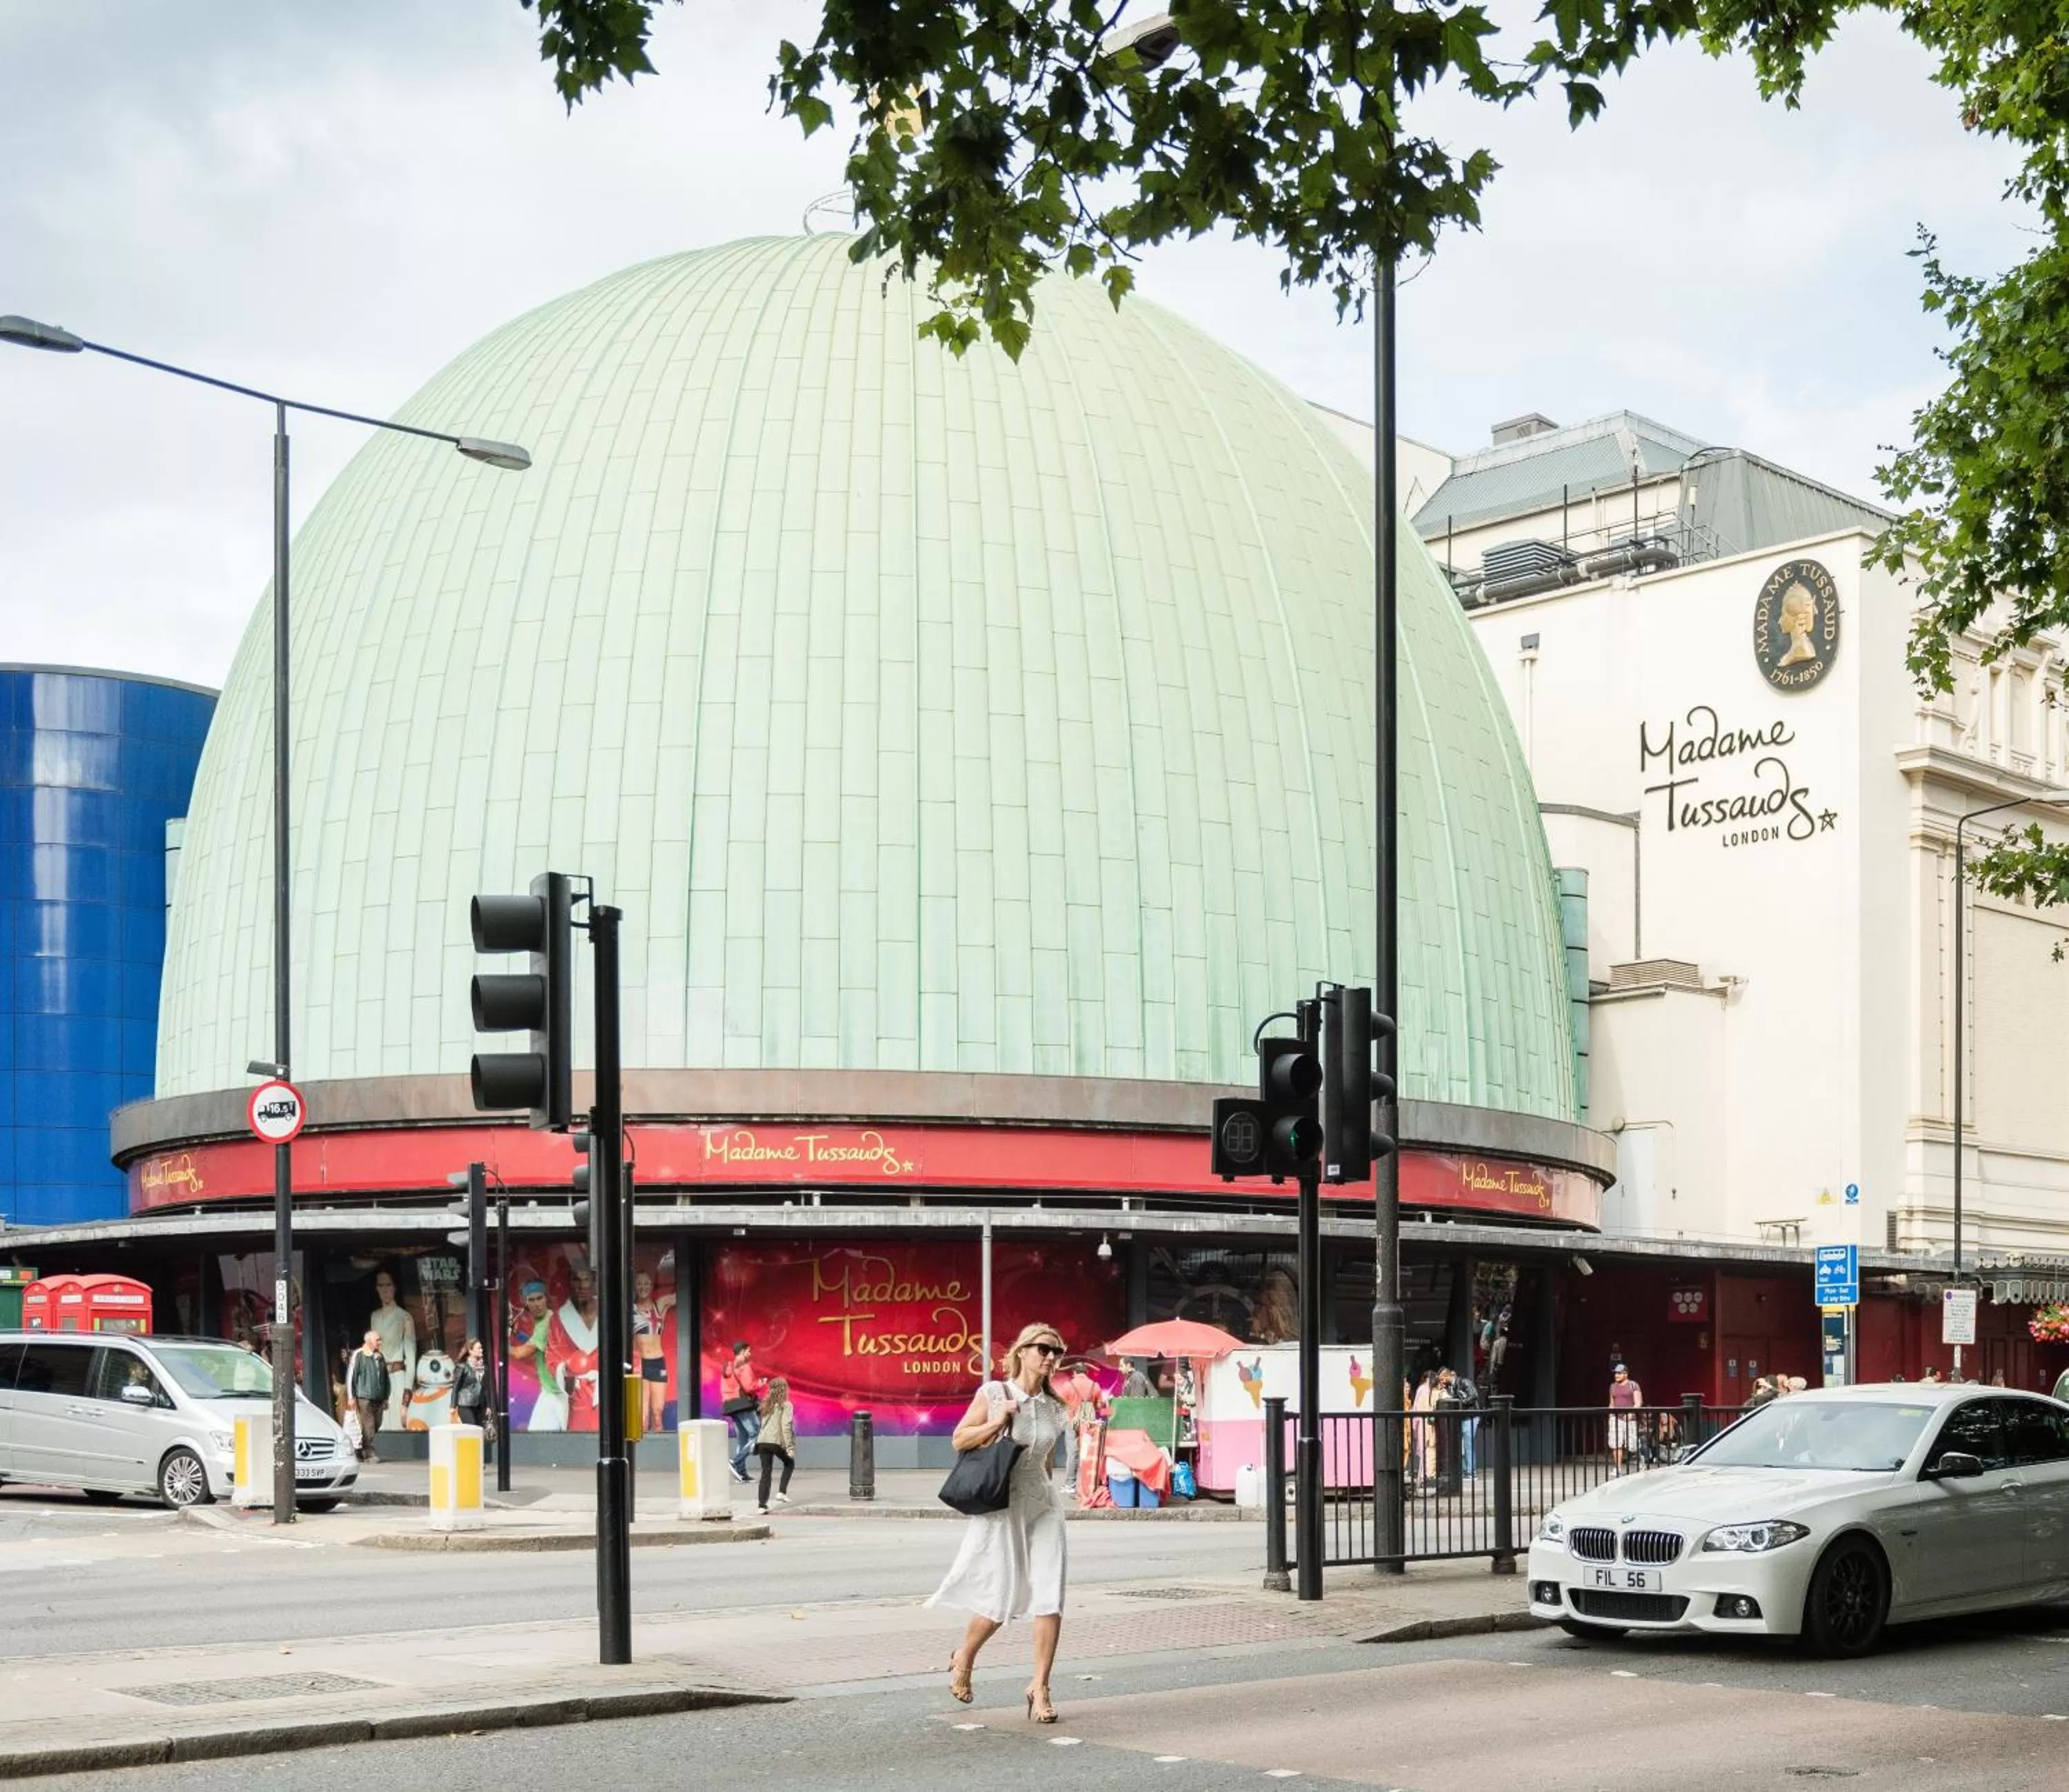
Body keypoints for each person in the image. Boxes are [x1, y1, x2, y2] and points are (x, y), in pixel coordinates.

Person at [930, 1322, 1071, 1725]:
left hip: (1043, 1504)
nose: (1050, 1358)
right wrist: (998, 1420)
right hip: (1004, 1504)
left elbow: (1045, 1460)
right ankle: (965, 1657)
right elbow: (960, 1439)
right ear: (1023, 1350)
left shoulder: (1055, 1407)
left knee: (1050, 1596)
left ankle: (1040, 1686)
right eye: (1044, 1349)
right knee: (1001, 1595)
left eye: (1056, 1352)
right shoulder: (995, 1393)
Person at [368, 1269, 417, 1435]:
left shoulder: (405, 1317)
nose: (385, 1290)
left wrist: (408, 1389)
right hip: (379, 1377)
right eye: (381, 1285)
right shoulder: (374, 1317)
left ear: (395, 1287)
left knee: (397, 1424)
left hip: (397, 1378)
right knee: (379, 1423)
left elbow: (410, 1353)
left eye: (388, 1285)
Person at [632, 1270, 675, 1436]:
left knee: (657, 1415)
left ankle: (659, 1458)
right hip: (641, 1365)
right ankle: (641, 1457)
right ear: (635, 1287)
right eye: (639, 1283)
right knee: (643, 1418)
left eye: (646, 1283)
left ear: (652, 1286)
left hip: (658, 1363)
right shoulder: (631, 1311)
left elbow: (680, 1295)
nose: (643, 1287)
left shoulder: (660, 1305)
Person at [753, 1377, 797, 1514]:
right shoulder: (786, 1405)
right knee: (789, 1463)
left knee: (766, 1473)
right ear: (784, 1390)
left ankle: (761, 1505)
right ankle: (781, 1492)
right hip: (775, 1442)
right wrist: (789, 1447)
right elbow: (786, 1426)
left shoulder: (765, 1405)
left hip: (762, 1442)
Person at [721, 1340, 763, 1484]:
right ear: (742, 1351)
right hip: (743, 1404)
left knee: (743, 1438)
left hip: (731, 1405)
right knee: (757, 1433)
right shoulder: (745, 1367)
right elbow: (749, 1387)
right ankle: (735, 1462)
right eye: (749, 1351)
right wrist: (760, 1384)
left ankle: (741, 1473)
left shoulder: (728, 1367)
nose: (750, 1354)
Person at [348, 1330, 391, 1462]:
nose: (380, 1342)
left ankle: (360, 1449)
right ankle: (369, 1451)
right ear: (369, 1341)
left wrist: (386, 1397)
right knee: (369, 1424)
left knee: (377, 1423)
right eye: (378, 1340)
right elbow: (351, 1376)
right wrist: (351, 1396)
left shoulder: (380, 1356)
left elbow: (385, 1378)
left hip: (379, 1397)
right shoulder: (359, 1355)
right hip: (364, 1396)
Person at [1607, 1362, 1643, 1472]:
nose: (1616, 1375)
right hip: (1616, 1418)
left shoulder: (1633, 1385)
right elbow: (1612, 1403)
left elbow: (1638, 1402)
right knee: (1615, 1443)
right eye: (1616, 1373)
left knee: (1632, 1445)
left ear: (1626, 1374)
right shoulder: (1613, 1386)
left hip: (1630, 1419)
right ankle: (1618, 1468)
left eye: (1619, 1373)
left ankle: (1641, 1462)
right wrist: (1610, 1415)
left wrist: (1631, 1413)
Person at [452, 1337, 489, 1435]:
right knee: (472, 1431)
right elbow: (456, 1387)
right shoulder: (462, 1367)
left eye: (481, 1348)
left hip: (479, 1405)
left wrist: (488, 1406)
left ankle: (479, 1450)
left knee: (480, 1432)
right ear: (470, 1351)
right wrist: (453, 1406)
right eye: (479, 1348)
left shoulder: (484, 1368)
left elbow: (485, 1389)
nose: (481, 1350)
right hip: (465, 1405)